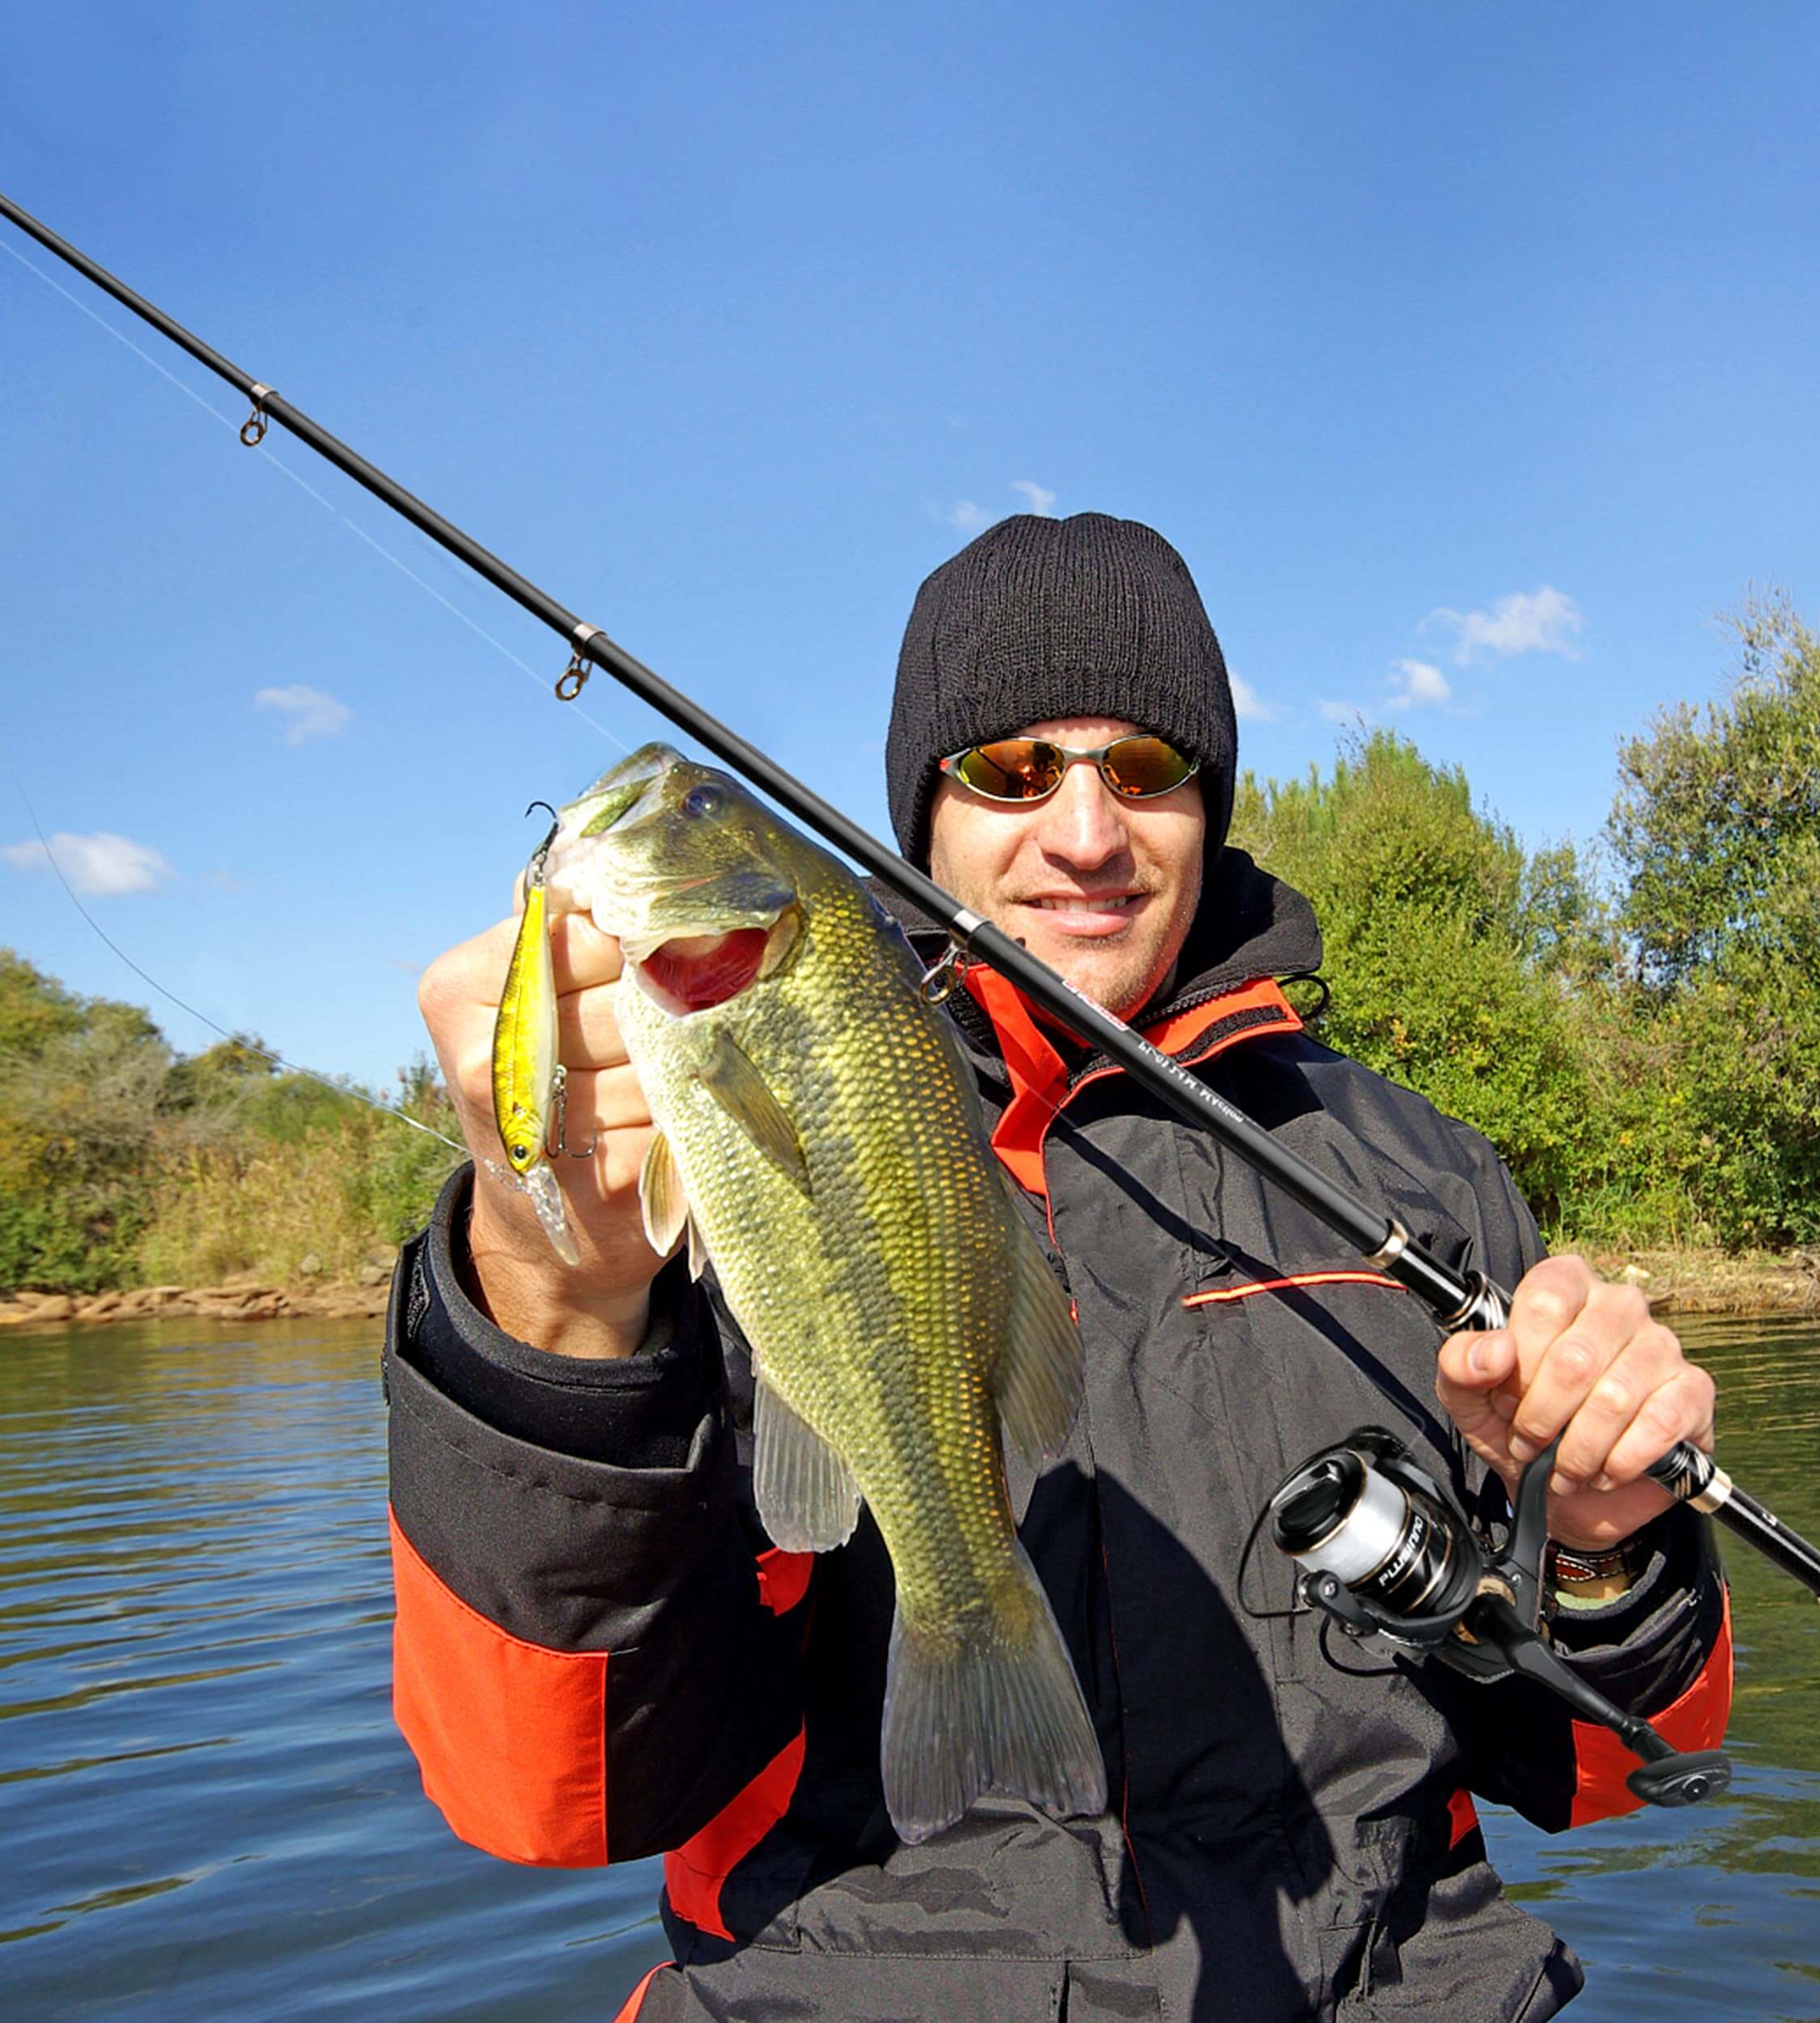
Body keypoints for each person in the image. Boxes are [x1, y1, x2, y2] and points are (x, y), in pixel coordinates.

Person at [388, 513, 1730, 2023]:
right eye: (1012, 771)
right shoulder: (648, 1178)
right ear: (924, 813)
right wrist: (550, 1289)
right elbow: (548, 1799)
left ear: (1209, 806)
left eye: (1145, 770)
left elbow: (1604, 1764)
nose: (1086, 834)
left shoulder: (1415, 1178)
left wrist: (1608, 1542)